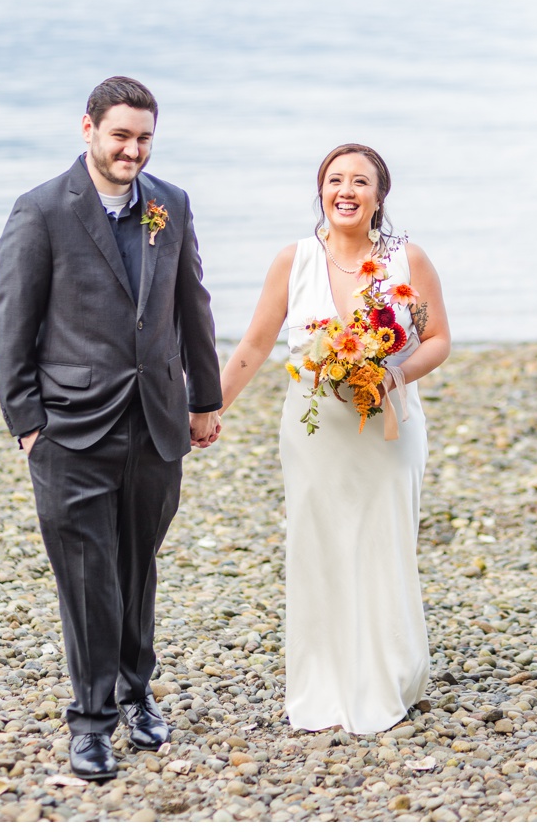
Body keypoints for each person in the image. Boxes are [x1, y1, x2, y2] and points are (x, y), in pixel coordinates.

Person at [0, 76, 222, 781]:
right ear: (86, 129)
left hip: (155, 424)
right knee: (88, 578)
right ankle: (90, 721)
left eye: (145, 138)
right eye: (121, 135)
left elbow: (193, 304)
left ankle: (135, 691)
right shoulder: (40, 211)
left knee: (136, 567)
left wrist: (203, 399)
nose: (133, 150)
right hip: (70, 431)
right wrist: (30, 426)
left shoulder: (171, 205)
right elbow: (10, 327)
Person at [218, 143, 450, 734]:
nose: (346, 191)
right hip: (313, 429)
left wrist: (392, 371)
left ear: (379, 197)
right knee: (317, 546)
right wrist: (209, 409)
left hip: (388, 425)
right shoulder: (292, 261)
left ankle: (388, 675)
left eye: (360, 182)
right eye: (334, 180)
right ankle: (321, 681)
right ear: (321, 190)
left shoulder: (407, 260)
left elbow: (438, 340)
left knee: (383, 541)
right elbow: (253, 346)